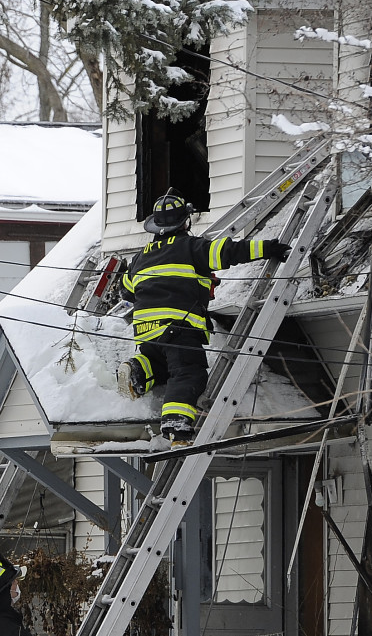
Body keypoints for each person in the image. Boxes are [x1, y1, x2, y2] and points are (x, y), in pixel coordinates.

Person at [117, 190, 291, 445]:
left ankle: (138, 371)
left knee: (163, 366)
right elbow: (230, 251)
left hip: (145, 329)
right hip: (178, 326)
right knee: (188, 372)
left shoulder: (140, 257)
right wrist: (269, 248)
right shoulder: (192, 247)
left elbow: (127, 291)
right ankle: (176, 423)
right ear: (185, 222)